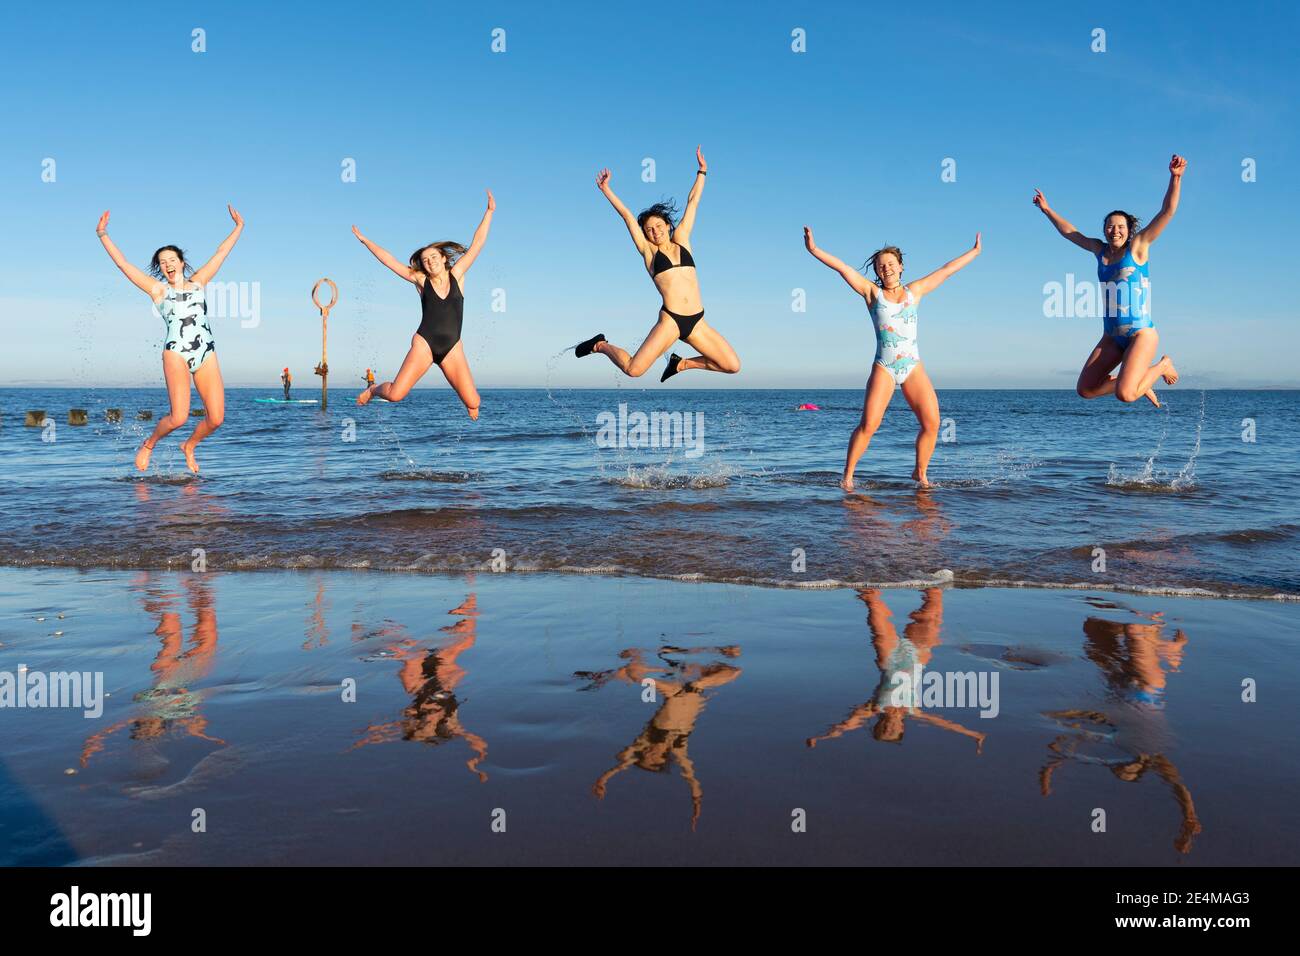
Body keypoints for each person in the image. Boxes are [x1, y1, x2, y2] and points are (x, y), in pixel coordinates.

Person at [804, 226, 980, 489]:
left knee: (932, 423)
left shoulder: (915, 291)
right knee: (869, 425)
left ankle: (920, 474)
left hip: (912, 366)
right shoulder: (872, 294)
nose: (885, 269)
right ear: (876, 272)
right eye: (880, 266)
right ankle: (848, 476)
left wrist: (975, 251)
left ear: (900, 267)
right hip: (885, 367)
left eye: (890, 264)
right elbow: (843, 268)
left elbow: (946, 270)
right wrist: (814, 249)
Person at [96, 205, 243, 473]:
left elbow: (221, 253)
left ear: (182, 262)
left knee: (217, 418)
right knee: (178, 417)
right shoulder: (158, 291)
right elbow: (124, 265)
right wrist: (103, 234)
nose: (167, 264)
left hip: (206, 353)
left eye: (171, 259)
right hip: (175, 352)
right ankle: (149, 444)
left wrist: (238, 228)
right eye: (162, 262)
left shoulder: (199, 282)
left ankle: (189, 446)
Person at [575, 147, 740, 382]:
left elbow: (693, 202)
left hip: (697, 321)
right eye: (649, 229)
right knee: (634, 370)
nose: (655, 232)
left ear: (667, 225)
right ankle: (600, 345)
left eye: (659, 226)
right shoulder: (649, 253)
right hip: (671, 320)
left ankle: (680, 364)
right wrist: (606, 190)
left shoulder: (682, 239)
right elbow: (627, 216)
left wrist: (702, 172)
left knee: (732, 365)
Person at [1033, 154, 1186, 406]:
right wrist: (1047, 210)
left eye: (1120, 226)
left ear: (1129, 231)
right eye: (1110, 226)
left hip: (1141, 334)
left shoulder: (1138, 248)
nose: (1115, 230)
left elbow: (1167, 212)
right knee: (1086, 389)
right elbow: (1070, 232)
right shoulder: (1099, 250)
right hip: (1111, 336)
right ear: (1104, 229)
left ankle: (1160, 367)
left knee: (1126, 395)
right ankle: (1138, 380)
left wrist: (1175, 178)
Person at [353, 190, 494, 417]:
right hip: (425, 345)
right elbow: (390, 262)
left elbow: (477, 244)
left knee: (474, 402)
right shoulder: (421, 280)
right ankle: (373, 389)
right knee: (396, 395)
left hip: (453, 348)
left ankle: (468, 400)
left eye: (434, 258)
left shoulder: (457, 275)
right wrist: (366, 241)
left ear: (444, 258)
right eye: (426, 260)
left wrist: (489, 212)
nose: (429, 262)